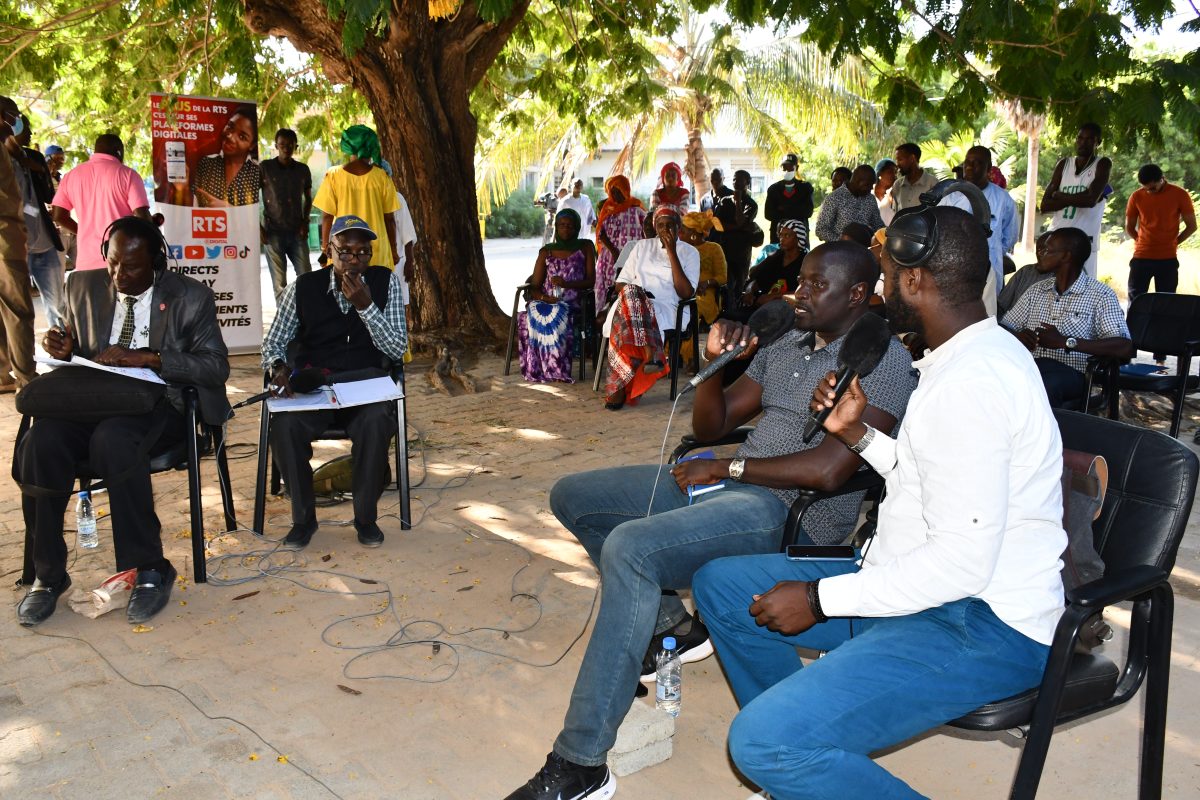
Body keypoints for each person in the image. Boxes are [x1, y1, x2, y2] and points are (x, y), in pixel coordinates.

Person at [502, 241, 915, 800]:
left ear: (860, 295)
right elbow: (715, 420)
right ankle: (674, 623)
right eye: (804, 281)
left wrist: (732, 465)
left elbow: (829, 471)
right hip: (729, 479)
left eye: (819, 285)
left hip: (787, 509)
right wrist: (714, 365)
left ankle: (581, 763)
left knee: (630, 549)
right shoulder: (788, 340)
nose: (802, 293)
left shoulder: (880, 360)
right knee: (574, 496)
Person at [693, 207, 1066, 800]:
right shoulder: (959, 359)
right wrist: (857, 436)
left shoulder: (973, 382)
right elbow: (931, 478)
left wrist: (819, 598)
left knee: (760, 743)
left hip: (981, 622)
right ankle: (809, 763)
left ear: (916, 282)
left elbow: (962, 564)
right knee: (723, 587)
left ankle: (790, 751)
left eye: (888, 275)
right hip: (917, 586)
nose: (883, 288)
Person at [15, 216, 230, 627]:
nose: (118, 274)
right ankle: (48, 574)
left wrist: (151, 358)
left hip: (159, 406)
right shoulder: (82, 285)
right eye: (113, 263)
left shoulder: (190, 297)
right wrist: (62, 348)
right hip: (91, 401)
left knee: (113, 440)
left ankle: (148, 568)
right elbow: (76, 347)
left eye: (131, 267)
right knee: (42, 441)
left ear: (157, 263)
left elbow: (215, 367)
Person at [260, 215, 407, 550]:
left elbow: (397, 349)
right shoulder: (304, 287)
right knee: (284, 426)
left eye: (363, 253)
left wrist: (366, 307)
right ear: (328, 250)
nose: (355, 260)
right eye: (345, 252)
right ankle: (303, 520)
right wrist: (279, 367)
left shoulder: (385, 282)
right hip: (317, 388)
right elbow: (273, 343)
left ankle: (365, 519)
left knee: (376, 421)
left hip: (364, 386)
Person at [1000, 227, 1132, 408]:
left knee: (1043, 386)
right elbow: (1004, 327)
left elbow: (1124, 347)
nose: (1041, 254)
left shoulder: (1100, 295)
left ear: (1066, 257)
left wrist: (1065, 341)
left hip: (1076, 375)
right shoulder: (1037, 290)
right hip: (1032, 366)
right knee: (995, 378)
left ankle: (1045, 435)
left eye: (1048, 250)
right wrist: (1018, 336)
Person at [600, 208, 698, 410]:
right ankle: (651, 353)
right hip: (632, 302)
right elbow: (620, 284)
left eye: (670, 224)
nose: (665, 229)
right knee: (632, 294)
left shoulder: (689, 252)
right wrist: (638, 296)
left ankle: (616, 390)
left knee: (627, 316)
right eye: (661, 225)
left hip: (666, 306)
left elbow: (686, 292)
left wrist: (671, 252)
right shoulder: (641, 247)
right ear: (654, 227)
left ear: (678, 227)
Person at [51, 133, 151, 271]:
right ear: (119, 151)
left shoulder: (71, 176)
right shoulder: (128, 175)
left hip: (86, 265)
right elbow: (143, 218)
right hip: (121, 265)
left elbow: (58, 216)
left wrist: (83, 232)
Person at [517, 208, 596, 383]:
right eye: (561, 225)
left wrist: (567, 284)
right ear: (556, 228)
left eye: (570, 225)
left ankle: (557, 370)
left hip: (575, 300)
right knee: (530, 315)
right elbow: (535, 286)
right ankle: (537, 369)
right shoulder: (547, 251)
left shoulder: (585, 247)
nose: (565, 229)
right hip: (548, 299)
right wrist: (545, 298)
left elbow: (591, 281)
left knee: (558, 314)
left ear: (576, 228)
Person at [312, 125, 400, 270]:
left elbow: (327, 216)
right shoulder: (382, 177)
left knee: (344, 290)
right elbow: (389, 219)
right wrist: (394, 250)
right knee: (378, 291)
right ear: (371, 146)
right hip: (376, 252)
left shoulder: (333, 176)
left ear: (347, 146)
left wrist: (325, 248)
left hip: (344, 252)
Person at [939, 145, 1018, 299]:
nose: (969, 167)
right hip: (954, 268)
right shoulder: (950, 196)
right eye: (967, 162)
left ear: (988, 168)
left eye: (977, 163)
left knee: (987, 313)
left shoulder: (1003, 200)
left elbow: (1010, 236)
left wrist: (992, 250)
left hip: (989, 270)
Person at [1041, 123, 1112, 278]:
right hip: (1057, 238)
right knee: (1051, 287)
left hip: (1085, 240)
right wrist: (1081, 197)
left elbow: (1091, 200)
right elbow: (1045, 205)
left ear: (1097, 142)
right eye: (1080, 138)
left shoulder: (1102, 164)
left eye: (1089, 139)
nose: (1083, 142)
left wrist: (1060, 196)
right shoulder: (1064, 164)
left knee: (1083, 290)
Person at [13, 115, 65, 327]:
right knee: (17, 304)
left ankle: (62, 344)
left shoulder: (34, 157)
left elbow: (49, 196)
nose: (31, 133)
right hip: (16, 245)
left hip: (44, 242)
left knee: (56, 304)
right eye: (26, 128)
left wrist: (42, 170)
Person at [0, 94, 36, 391]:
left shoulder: (6, 149)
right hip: (5, 240)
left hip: (6, 237)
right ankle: (26, 377)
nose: (17, 120)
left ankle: (2, 375)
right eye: (13, 115)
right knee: (19, 309)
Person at [1125, 164, 1196, 304]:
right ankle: (1133, 327)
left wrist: (1174, 242)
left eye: (1152, 188)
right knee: (1135, 302)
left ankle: (1162, 327)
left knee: (1166, 303)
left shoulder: (1180, 194)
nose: (1149, 191)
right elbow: (1129, 227)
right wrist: (1140, 241)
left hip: (1167, 258)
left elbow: (1192, 226)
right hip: (1141, 258)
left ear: (1162, 179)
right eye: (1145, 187)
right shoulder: (1136, 196)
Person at [260, 128, 313, 298]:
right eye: (282, 144)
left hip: (297, 231)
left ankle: (307, 318)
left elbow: (309, 199)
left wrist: (305, 223)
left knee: (307, 277)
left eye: (290, 144)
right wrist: (258, 228)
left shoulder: (303, 169)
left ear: (296, 146)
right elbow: (251, 199)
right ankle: (284, 320)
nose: (286, 148)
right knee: (279, 283)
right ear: (276, 145)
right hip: (272, 232)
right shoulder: (265, 168)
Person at [593, 175, 646, 310]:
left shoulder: (637, 209)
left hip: (632, 257)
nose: (615, 194)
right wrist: (614, 251)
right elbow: (601, 234)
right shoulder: (607, 210)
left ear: (626, 190)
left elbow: (646, 234)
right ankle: (604, 321)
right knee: (607, 290)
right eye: (613, 191)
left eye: (619, 190)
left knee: (628, 289)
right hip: (609, 258)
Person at [192, 105, 261, 207]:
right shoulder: (206, 163)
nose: (230, 136)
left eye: (242, 137)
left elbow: (258, 214)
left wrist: (228, 209)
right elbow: (194, 207)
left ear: (252, 145)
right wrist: (182, 188)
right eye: (230, 126)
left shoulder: (257, 171)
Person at [738, 219, 806, 311]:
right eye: (781, 235)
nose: (782, 239)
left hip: (787, 311)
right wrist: (749, 291)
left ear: (799, 239)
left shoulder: (805, 262)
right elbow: (754, 276)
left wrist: (773, 297)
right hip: (763, 308)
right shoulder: (776, 256)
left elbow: (804, 292)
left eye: (787, 235)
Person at [712, 169, 760, 294]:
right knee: (724, 285)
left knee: (740, 286)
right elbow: (717, 224)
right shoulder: (725, 200)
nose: (735, 182)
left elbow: (740, 221)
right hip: (724, 249)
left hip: (741, 252)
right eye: (734, 179)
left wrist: (738, 202)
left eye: (739, 179)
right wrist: (740, 227)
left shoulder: (751, 204)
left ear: (747, 182)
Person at [678, 210, 727, 327]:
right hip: (682, 291)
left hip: (704, 294)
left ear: (693, 234)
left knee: (690, 307)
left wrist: (707, 283)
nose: (679, 235)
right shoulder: (680, 249)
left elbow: (723, 277)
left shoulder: (714, 248)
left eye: (683, 232)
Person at [814, 164, 886, 244]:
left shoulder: (870, 199)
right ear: (858, 181)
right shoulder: (834, 198)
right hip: (839, 252)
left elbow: (878, 225)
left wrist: (887, 235)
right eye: (868, 185)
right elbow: (820, 229)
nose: (871, 188)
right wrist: (842, 241)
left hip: (864, 251)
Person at [997, 231, 1053, 319]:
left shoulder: (1067, 281)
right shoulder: (1026, 272)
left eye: (1046, 250)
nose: (1040, 254)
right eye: (1038, 249)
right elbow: (1002, 304)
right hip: (1011, 326)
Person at [764, 153, 814, 243]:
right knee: (778, 257)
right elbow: (768, 214)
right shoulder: (773, 189)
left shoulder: (805, 188)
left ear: (796, 168)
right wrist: (796, 209)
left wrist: (783, 208)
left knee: (802, 257)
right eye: (784, 167)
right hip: (778, 237)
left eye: (790, 167)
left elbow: (808, 212)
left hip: (800, 236)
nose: (787, 170)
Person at [890, 142, 938, 213]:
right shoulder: (897, 185)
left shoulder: (933, 183)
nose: (897, 164)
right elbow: (896, 215)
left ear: (912, 158)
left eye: (900, 159)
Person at [645, 162, 691, 233]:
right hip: (659, 230)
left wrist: (663, 211)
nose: (670, 178)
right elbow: (654, 214)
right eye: (667, 176)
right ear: (663, 178)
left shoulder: (684, 193)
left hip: (678, 230)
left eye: (673, 176)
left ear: (678, 179)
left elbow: (682, 214)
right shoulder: (656, 193)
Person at [873, 158, 898, 225]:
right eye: (890, 172)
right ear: (879, 174)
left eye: (895, 173)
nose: (894, 176)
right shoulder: (869, 194)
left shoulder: (897, 195)